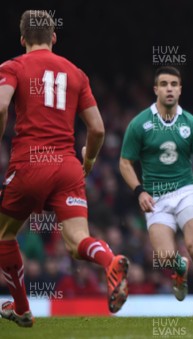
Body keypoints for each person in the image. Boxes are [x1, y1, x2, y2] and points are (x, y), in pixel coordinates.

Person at [0, 10, 129, 327]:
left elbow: (2, 105)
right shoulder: (76, 73)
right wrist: (88, 161)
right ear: (53, 38)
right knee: (76, 241)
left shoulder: (12, 67)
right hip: (67, 166)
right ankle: (109, 260)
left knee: (4, 235)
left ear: (22, 39)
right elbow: (97, 129)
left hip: (29, 163)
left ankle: (22, 307)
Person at [119, 66, 193, 317]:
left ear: (180, 89)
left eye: (174, 84)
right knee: (165, 257)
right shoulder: (140, 123)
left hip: (186, 190)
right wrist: (139, 192)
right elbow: (125, 163)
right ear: (155, 89)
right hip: (155, 197)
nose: (169, 88)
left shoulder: (192, 124)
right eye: (164, 84)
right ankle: (179, 268)